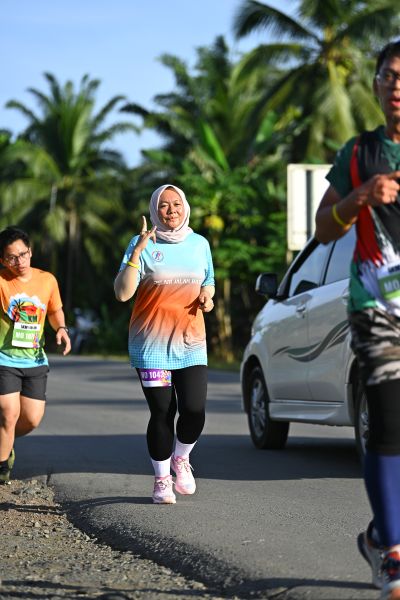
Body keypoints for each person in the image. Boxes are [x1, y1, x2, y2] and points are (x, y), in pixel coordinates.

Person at [315, 40, 400, 600]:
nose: (397, 87)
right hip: (377, 308)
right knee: (388, 422)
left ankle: (375, 535)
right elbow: (324, 227)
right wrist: (361, 197)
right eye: (389, 76)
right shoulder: (359, 153)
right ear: (375, 85)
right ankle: (392, 551)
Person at [114, 184, 215, 505]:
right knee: (162, 411)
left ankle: (181, 458)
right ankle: (161, 480)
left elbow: (208, 280)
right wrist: (137, 253)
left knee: (194, 410)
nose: (171, 210)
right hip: (151, 345)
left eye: (176, 204)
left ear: (185, 207)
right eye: (163, 205)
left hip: (191, 342)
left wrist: (208, 297)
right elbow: (122, 293)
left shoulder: (200, 244)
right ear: (154, 210)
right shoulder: (141, 243)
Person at [0, 226, 71, 485]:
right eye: (11, 257)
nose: (19, 262)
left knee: (31, 419)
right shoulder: (1, 281)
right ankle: (2, 468)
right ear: (2, 260)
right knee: (8, 412)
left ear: (30, 252)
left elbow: (54, 310)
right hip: (4, 358)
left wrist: (61, 328)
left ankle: (4, 440)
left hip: (35, 359)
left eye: (22, 254)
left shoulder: (47, 280)